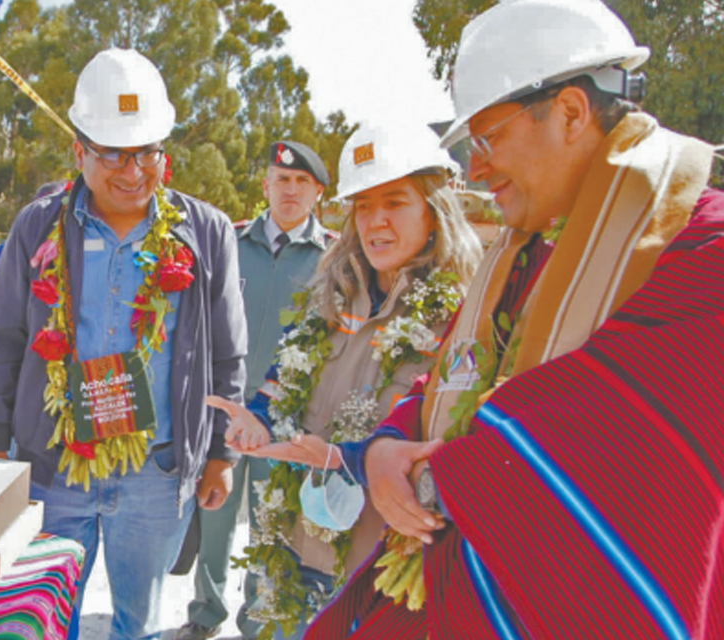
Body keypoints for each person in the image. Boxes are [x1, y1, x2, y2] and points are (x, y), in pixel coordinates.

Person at [296, 1, 724, 638]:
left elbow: (606, 442)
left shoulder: (701, 254)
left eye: (488, 139)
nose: (476, 169)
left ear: (573, 113)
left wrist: (435, 474)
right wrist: (386, 448)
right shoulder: (533, 251)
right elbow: (453, 380)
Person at [0, 48, 248, 640]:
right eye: (113, 154)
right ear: (79, 152)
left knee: (139, 627)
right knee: (40, 622)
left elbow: (227, 352)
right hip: (54, 469)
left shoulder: (206, 233)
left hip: (157, 472)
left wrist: (221, 453)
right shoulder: (36, 226)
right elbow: (3, 343)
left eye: (146, 152)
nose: (132, 171)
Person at [210, 122, 483, 639]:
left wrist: (347, 459)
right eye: (363, 206)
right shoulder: (330, 298)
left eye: (395, 202)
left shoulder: (461, 317)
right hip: (295, 555)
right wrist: (258, 423)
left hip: (379, 574)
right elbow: (281, 383)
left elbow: (455, 449)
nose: (375, 221)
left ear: (434, 209)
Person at [176, 140, 336, 640]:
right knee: (215, 517)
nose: (290, 190)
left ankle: (257, 620)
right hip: (226, 411)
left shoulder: (333, 258)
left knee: (270, 525)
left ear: (318, 193)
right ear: (266, 184)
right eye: (281, 179)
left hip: (283, 419)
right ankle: (206, 614)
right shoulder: (231, 242)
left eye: (301, 182)